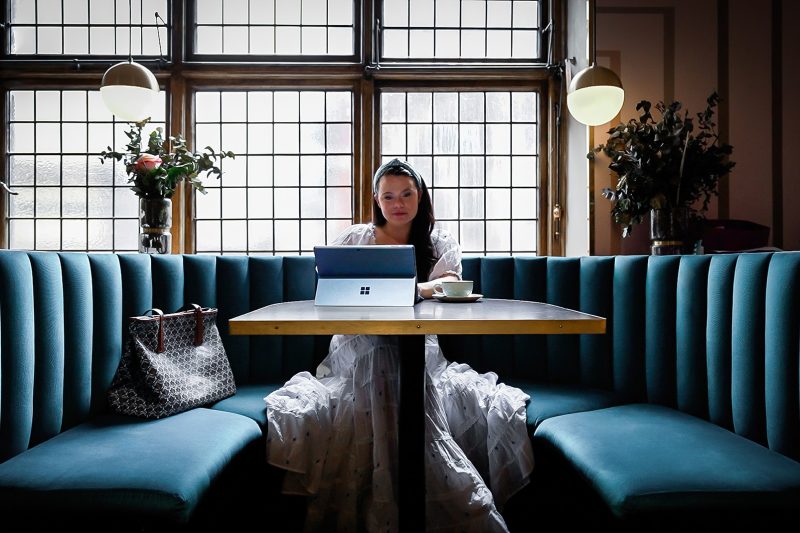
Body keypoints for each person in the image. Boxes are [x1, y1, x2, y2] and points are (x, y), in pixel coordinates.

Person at [265, 159, 534, 532]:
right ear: (376, 199)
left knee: (391, 363)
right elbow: (331, 286)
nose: (398, 204)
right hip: (356, 347)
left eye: (406, 194)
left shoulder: (439, 241)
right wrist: (413, 288)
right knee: (377, 356)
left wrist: (404, 288)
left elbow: (449, 284)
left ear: (419, 196)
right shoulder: (355, 239)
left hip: (419, 349)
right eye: (388, 196)